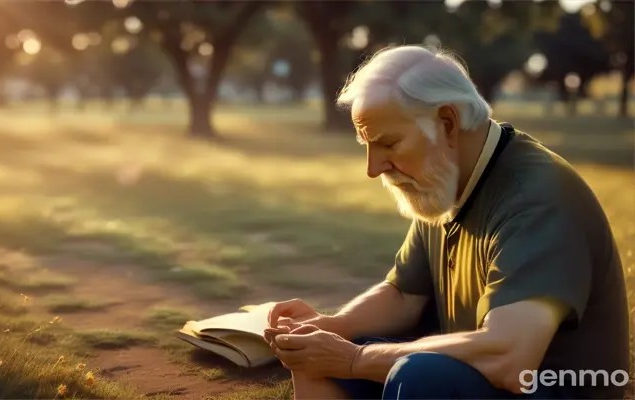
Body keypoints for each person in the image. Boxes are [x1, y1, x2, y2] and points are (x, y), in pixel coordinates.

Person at [263, 45, 631, 400]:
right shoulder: (444, 181)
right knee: (317, 358)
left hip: (557, 385)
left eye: (388, 144)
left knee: (420, 373)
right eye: (367, 146)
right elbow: (405, 294)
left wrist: (354, 359)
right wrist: (331, 329)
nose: (374, 169)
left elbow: (509, 357)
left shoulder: (537, 198)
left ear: (447, 123)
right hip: (487, 376)